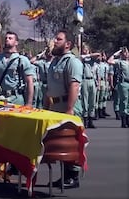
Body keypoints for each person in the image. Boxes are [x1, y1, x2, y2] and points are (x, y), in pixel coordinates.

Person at [45, 29, 84, 189]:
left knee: (70, 142)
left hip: (67, 106)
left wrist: (69, 109)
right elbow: (50, 88)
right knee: (60, 143)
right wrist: (46, 108)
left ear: (68, 44)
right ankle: (64, 175)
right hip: (55, 106)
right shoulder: (55, 61)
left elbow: (74, 85)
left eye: (59, 39)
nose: (55, 41)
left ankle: (73, 176)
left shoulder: (72, 62)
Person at [0, 31, 34, 106]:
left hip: (16, 98)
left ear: (16, 42)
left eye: (10, 38)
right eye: (6, 38)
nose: (7, 39)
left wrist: (29, 103)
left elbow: (29, 82)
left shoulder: (22, 60)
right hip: (0, 98)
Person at [107, 47, 129, 128]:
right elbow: (109, 61)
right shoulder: (119, 62)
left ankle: (128, 119)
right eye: (124, 52)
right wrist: (117, 52)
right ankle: (123, 121)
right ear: (121, 54)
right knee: (124, 102)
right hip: (124, 83)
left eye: (127, 52)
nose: (126, 54)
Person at [79, 44, 101, 128]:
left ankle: (91, 120)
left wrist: (88, 55)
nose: (85, 50)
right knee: (85, 101)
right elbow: (81, 57)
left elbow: (98, 54)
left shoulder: (91, 58)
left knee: (92, 101)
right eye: (84, 49)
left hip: (92, 80)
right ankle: (85, 120)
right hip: (85, 80)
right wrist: (85, 55)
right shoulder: (81, 58)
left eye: (86, 49)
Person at [95, 51, 110, 118]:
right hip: (97, 81)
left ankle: (101, 112)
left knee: (102, 97)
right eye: (100, 56)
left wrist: (107, 84)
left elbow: (106, 74)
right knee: (96, 98)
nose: (101, 58)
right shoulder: (95, 64)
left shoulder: (105, 65)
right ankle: (96, 112)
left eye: (102, 56)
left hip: (103, 81)